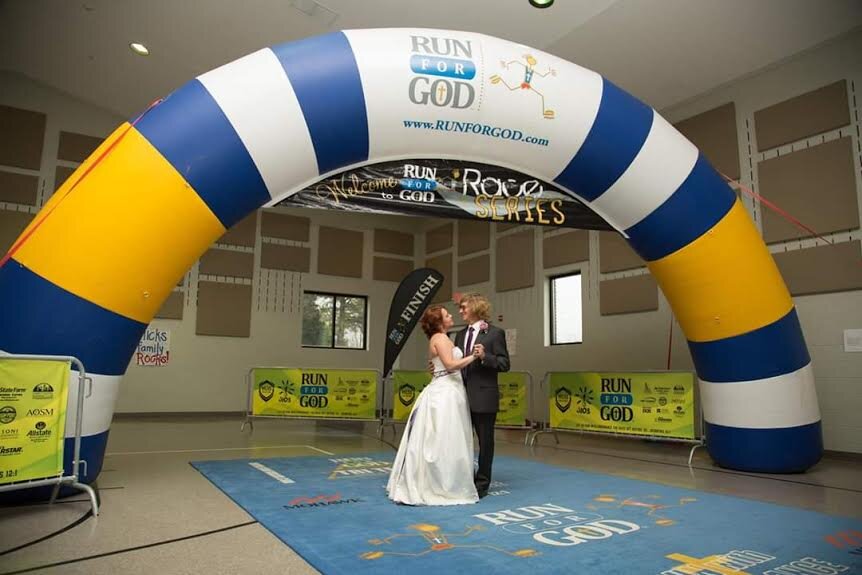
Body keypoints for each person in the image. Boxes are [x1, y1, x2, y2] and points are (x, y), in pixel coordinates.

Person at [386, 305, 480, 506]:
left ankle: (434, 479)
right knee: (447, 436)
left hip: (443, 388)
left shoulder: (436, 339)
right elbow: (450, 365)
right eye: (447, 314)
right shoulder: (442, 338)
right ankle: (444, 482)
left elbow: (436, 367)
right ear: (439, 322)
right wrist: (474, 356)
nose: (451, 316)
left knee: (438, 436)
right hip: (446, 392)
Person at [455, 293, 510, 498]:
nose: (460, 311)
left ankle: (482, 483)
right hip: (461, 397)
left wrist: (485, 356)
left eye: (464, 307)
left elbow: (505, 364)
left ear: (476, 308)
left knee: (485, 442)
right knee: (461, 441)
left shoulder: (495, 333)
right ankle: (464, 477)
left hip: (484, 398)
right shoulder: (459, 335)